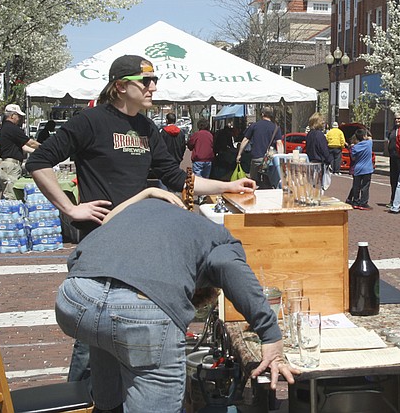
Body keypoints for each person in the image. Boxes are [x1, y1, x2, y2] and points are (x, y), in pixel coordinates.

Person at [26, 54, 257, 381]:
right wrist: (71, 208)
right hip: (99, 242)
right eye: (145, 81)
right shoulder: (90, 121)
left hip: (136, 242)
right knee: (91, 334)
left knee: (125, 322)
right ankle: (80, 398)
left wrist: (228, 184)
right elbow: (39, 162)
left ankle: (114, 396)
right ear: (120, 86)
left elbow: (176, 178)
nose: (153, 87)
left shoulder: (146, 127)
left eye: (155, 81)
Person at [54, 190, 297, 412]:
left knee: (109, 350)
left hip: (75, 298)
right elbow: (228, 266)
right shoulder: (215, 235)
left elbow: (77, 256)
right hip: (142, 314)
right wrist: (270, 335)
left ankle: (109, 404)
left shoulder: (136, 210)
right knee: (130, 336)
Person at [0, 103, 40, 199]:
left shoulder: (7, 128)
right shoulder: (12, 128)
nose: (20, 119)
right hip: (11, 166)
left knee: (12, 192)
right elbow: (30, 143)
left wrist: (38, 152)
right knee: (11, 195)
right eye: (18, 116)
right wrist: (45, 147)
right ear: (12, 115)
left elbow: (24, 147)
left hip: (12, 165)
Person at [236, 106, 283, 182]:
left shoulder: (254, 126)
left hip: (256, 158)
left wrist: (239, 154)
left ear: (262, 114)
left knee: (254, 181)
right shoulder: (276, 128)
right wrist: (281, 158)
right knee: (269, 181)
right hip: (269, 159)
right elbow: (279, 144)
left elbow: (245, 140)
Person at [349, 128, 374, 210]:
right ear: (364, 136)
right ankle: (363, 202)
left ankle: (355, 201)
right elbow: (370, 137)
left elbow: (353, 158)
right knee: (365, 186)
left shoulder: (355, 147)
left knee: (356, 186)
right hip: (367, 168)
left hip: (358, 168)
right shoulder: (369, 143)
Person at [386, 112, 400, 207]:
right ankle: (393, 199)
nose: (397, 120)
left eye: (399, 118)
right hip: (393, 157)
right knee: (393, 179)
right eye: (396, 119)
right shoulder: (393, 129)